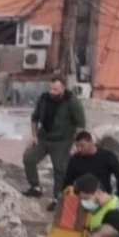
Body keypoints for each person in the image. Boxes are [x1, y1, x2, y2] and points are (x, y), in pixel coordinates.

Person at [23, 77, 87, 211]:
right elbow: (34, 118)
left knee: (60, 169)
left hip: (62, 141)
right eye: (51, 89)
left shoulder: (72, 102)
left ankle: (57, 198)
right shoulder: (44, 98)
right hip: (43, 138)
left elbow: (81, 125)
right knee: (29, 157)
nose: (52, 92)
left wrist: (76, 145)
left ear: (63, 88)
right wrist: (34, 136)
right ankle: (35, 187)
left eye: (56, 89)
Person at [61, 131, 119, 198]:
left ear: (91, 143)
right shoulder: (74, 159)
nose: (79, 149)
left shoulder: (107, 156)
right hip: (82, 197)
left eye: (82, 146)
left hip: (102, 197)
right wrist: (65, 195)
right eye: (77, 146)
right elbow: (68, 180)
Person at [74, 173, 119, 237]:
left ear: (98, 192)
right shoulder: (99, 207)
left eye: (86, 199)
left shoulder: (115, 212)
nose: (84, 203)